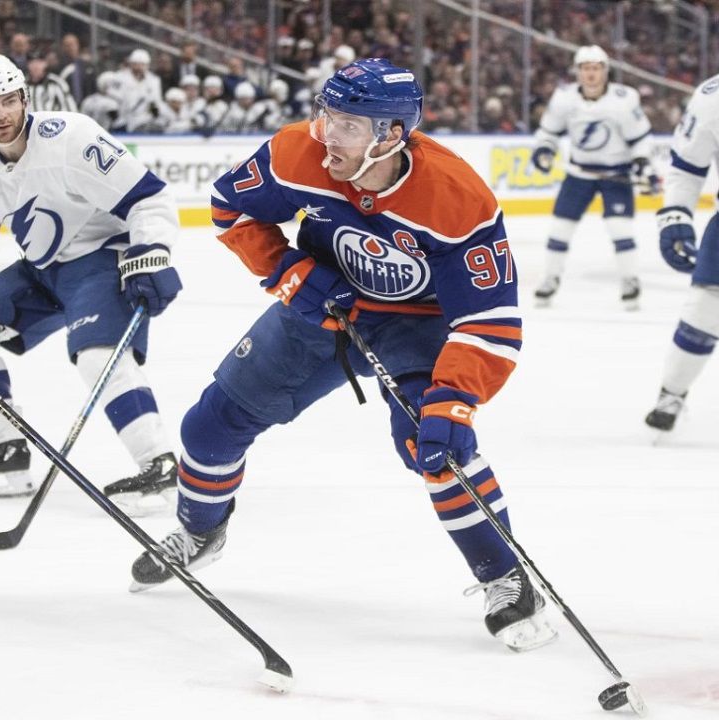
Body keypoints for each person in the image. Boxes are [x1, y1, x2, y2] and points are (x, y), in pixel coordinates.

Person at [128, 58, 557, 652]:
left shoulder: (459, 200)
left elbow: (488, 322)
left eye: (349, 124)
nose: (327, 133)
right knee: (208, 428)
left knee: (431, 443)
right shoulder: (295, 152)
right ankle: (201, 530)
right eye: (326, 113)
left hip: (418, 324)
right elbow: (230, 207)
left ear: (392, 135)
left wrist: (454, 400)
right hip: (323, 304)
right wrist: (287, 271)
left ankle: (505, 574)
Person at [0, 56, 183, 511]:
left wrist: (150, 251)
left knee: (97, 357)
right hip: (44, 269)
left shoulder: (72, 138)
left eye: (8, 101)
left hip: (101, 260)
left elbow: (148, 197)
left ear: (24, 99)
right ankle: (7, 450)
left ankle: (160, 466)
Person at [530, 45, 658, 310]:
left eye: (596, 68)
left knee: (620, 229)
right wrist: (544, 151)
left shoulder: (624, 99)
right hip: (579, 173)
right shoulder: (564, 98)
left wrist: (643, 163)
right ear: (578, 72)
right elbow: (548, 133)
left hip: (615, 174)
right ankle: (550, 278)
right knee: (559, 229)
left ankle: (630, 280)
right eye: (586, 69)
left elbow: (640, 139)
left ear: (605, 71)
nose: (591, 74)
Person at [645, 72, 719, 432]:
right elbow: (687, 167)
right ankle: (672, 393)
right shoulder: (713, 96)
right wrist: (675, 213)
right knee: (704, 312)